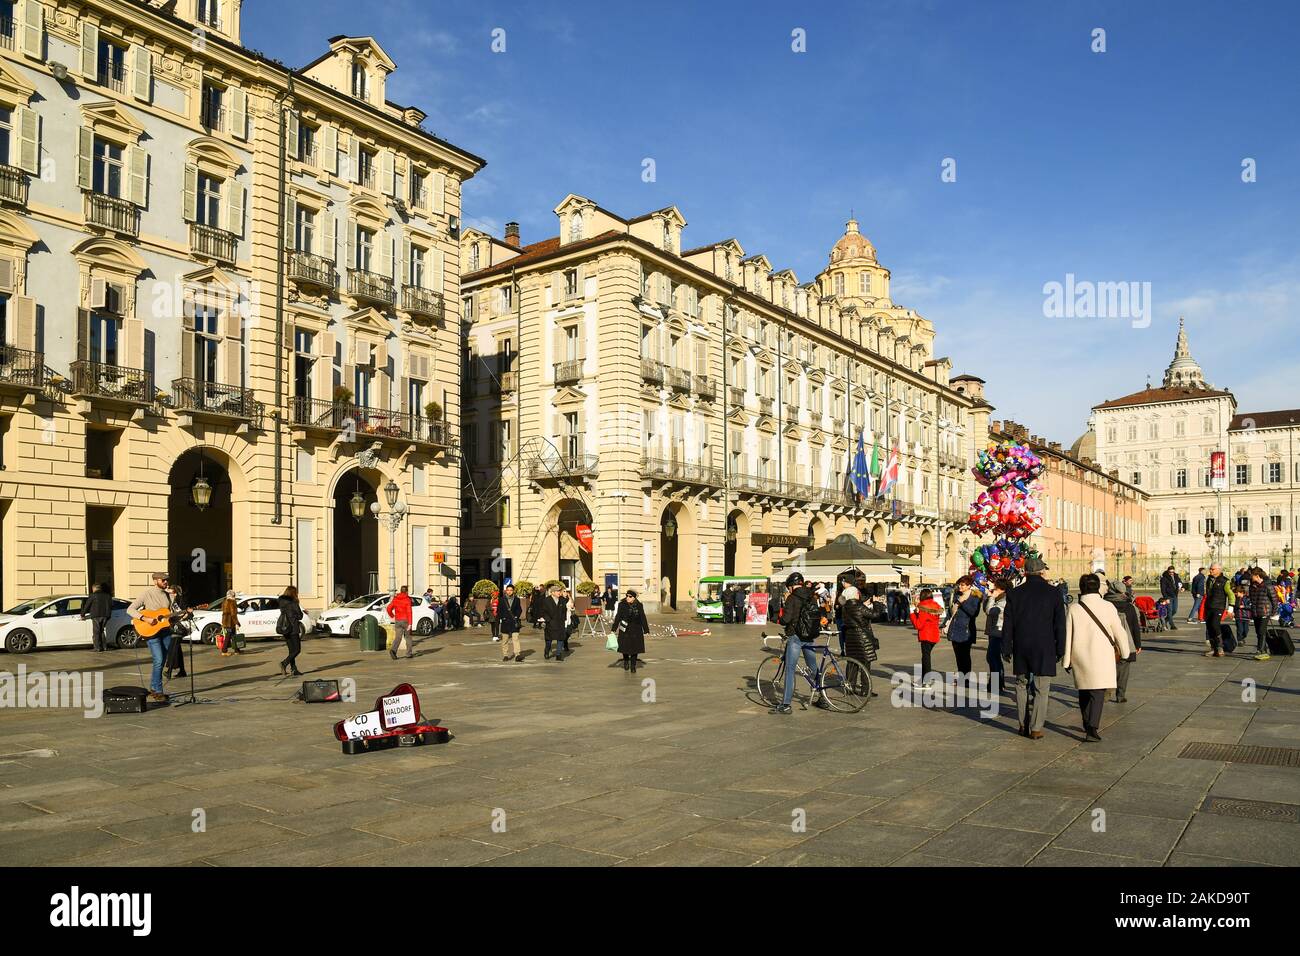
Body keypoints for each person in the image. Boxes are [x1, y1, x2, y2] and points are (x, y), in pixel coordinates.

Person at [1001, 556, 1066, 740]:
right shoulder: (1053, 592)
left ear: (1025, 572)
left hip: (1021, 645)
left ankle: (1023, 723)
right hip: (1045, 646)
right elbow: (1059, 624)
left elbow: (1008, 624)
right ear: (1042, 571)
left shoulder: (1014, 593)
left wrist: (1006, 647)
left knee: (1021, 685)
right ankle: (1036, 727)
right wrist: (1060, 648)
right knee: (1041, 688)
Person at [1065, 574, 1133, 741]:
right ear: (1098, 587)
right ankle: (1092, 727)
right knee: (1098, 692)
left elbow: (1069, 635)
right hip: (1102, 654)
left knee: (1084, 690)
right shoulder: (1108, 606)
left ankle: (1087, 721)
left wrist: (1066, 660)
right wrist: (1125, 652)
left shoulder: (1074, 608)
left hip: (1080, 654)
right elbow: (1119, 632)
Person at [771, 572, 825, 715]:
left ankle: (786, 704)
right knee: (813, 667)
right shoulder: (811, 596)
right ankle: (822, 696)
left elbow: (786, 619)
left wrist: (778, 619)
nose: (788, 590)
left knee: (790, 669)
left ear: (791, 586)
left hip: (795, 636)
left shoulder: (792, 598)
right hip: (809, 636)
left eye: (788, 587)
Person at [128, 571, 179, 703]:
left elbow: (171, 614)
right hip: (151, 631)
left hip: (165, 630)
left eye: (167, 580)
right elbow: (130, 610)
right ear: (155, 581)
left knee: (162, 661)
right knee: (159, 659)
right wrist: (145, 618)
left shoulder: (169, 596)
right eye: (163, 580)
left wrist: (184, 614)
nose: (166, 582)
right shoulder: (147, 593)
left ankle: (154, 687)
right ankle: (157, 691)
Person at [1104, 582, 1142, 703]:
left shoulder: (1105, 604)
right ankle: (1120, 695)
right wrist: (1138, 644)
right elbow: (1135, 626)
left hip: (1108, 642)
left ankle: (1106, 693)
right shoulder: (1129, 606)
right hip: (1126, 641)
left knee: (1107, 668)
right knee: (1124, 669)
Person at [840, 573, 878, 676]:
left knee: (852, 663)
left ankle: (850, 687)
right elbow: (874, 615)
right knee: (865, 663)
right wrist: (877, 604)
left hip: (850, 637)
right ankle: (865, 690)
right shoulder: (859, 607)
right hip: (862, 637)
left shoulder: (845, 607)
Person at [944, 576, 982, 674]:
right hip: (954, 629)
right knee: (958, 657)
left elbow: (974, 613)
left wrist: (962, 602)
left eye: (962, 585)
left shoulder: (975, 598)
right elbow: (950, 612)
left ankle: (966, 678)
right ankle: (961, 676)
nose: (960, 587)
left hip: (966, 631)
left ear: (969, 586)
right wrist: (944, 624)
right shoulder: (956, 595)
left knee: (965, 656)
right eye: (959, 584)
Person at [909, 588, 943, 687]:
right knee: (926, 657)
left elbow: (918, 625)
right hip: (934, 635)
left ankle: (926, 681)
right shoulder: (935, 604)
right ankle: (924, 679)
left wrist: (912, 613)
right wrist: (917, 612)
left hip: (926, 635)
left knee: (926, 658)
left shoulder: (923, 606)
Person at [1200, 564, 1233, 657]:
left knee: (1215, 625)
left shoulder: (1225, 581)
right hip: (1209, 606)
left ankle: (1220, 647)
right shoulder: (1209, 579)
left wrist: (1230, 609)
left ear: (1219, 570)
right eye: (1210, 569)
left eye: (1212, 569)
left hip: (1218, 606)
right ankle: (1213, 648)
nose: (1210, 571)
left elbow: (1231, 595)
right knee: (1209, 627)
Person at [612, 589, 649, 672]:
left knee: (635, 648)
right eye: (627, 596)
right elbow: (618, 616)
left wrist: (645, 629)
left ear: (634, 598)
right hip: (624, 629)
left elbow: (642, 617)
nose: (627, 597)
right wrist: (614, 628)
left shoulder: (639, 605)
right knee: (624, 647)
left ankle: (633, 666)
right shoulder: (622, 605)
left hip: (636, 629)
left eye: (630, 596)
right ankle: (625, 661)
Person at [985, 577, 1010, 694]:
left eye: (995, 587)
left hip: (998, 632)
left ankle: (996, 685)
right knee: (994, 659)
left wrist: (991, 597)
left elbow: (989, 611)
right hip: (994, 631)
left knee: (992, 658)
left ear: (1002, 589)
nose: (993, 588)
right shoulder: (1000, 599)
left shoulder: (1004, 601)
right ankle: (998, 684)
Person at [1248, 568, 1279, 661]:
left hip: (1265, 612)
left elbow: (1274, 599)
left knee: (1261, 631)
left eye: (1252, 575)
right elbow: (1251, 599)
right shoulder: (1252, 586)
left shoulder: (1267, 586)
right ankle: (1264, 649)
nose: (1250, 577)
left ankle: (1260, 649)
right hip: (1255, 612)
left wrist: (1273, 612)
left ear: (1257, 576)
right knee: (1259, 632)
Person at [276, 585, 305, 676]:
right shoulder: (293, 603)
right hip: (293, 628)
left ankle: (294, 669)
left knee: (291, 650)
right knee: (297, 650)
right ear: (293, 593)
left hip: (285, 628)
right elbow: (300, 616)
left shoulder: (282, 602)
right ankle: (284, 663)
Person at [83, 582, 113, 652]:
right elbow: (111, 606)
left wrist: (82, 614)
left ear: (94, 588)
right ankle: (104, 647)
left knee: (96, 632)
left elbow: (87, 605)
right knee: (101, 631)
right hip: (105, 615)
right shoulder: (108, 596)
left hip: (96, 615)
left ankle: (97, 647)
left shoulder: (93, 595)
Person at [497, 583, 524, 663]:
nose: (509, 592)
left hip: (514, 622)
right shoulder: (502, 599)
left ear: (513, 591)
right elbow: (499, 610)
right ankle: (505, 655)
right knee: (505, 640)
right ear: (506, 591)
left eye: (511, 590)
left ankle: (517, 655)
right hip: (505, 622)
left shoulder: (517, 599)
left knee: (515, 638)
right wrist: (502, 617)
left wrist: (516, 616)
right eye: (507, 590)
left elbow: (519, 609)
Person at [541, 584, 568, 661]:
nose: (559, 592)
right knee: (549, 640)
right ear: (552, 592)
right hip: (550, 623)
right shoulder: (546, 600)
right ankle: (547, 651)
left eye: (559, 591)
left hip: (560, 622)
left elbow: (565, 610)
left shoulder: (562, 599)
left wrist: (564, 619)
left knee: (560, 639)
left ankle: (558, 654)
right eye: (557, 591)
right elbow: (543, 611)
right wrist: (548, 619)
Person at [386, 586, 414, 660]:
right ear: (406, 591)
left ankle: (393, 650)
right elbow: (409, 612)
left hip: (398, 620)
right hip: (406, 621)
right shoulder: (407, 600)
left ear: (400, 591)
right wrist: (410, 623)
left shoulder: (395, 599)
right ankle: (408, 654)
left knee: (398, 637)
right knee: (408, 637)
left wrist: (392, 615)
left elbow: (388, 608)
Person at [219, 589, 243, 656]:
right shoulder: (232, 602)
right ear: (233, 595)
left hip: (226, 621)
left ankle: (236, 650)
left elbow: (224, 612)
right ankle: (224, 651)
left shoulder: (224, 601)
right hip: (230, 622)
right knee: (228, 636)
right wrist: (237, 623)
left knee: (233, 636)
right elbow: (233, 614)